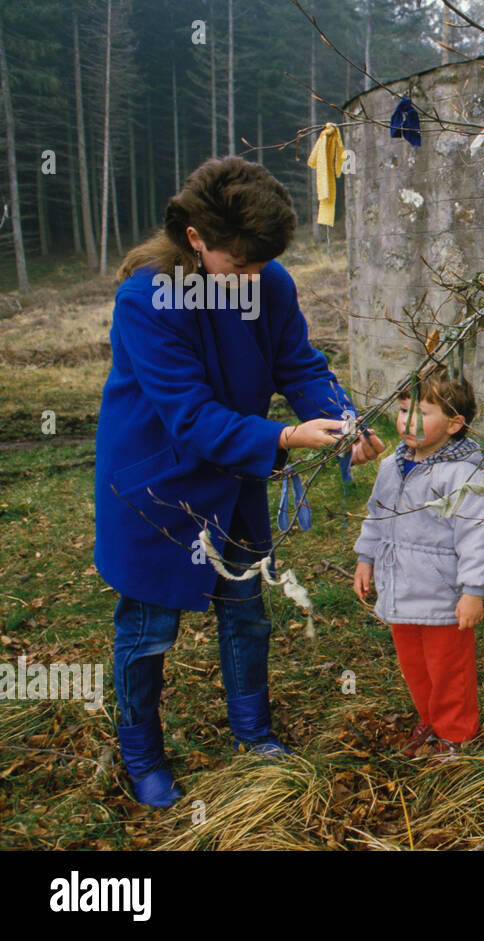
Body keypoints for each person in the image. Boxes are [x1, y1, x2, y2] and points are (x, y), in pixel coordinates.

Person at [96, 156, 385, 808]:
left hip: (233, 479)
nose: (252, 279)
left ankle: (253, 733)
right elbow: (191, 416)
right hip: (157, 485)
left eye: (261, 266)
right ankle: (142, 752)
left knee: (246, 613)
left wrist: (342, 417)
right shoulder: (147, 299)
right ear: (196, 239)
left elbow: (298, 363)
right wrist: (283, 437)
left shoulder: (267, 281)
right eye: (240, 266)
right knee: (148, 629)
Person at [353, 362, 484, 759]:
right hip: (400, 588)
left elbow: (477, 535)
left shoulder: (464, 476)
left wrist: (473, 591)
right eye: (403, 410)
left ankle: (457, 732)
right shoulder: (390, 467)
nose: (407, 420)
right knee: (415, 666)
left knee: (448, 668)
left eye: (422, 412)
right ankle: (429, 718)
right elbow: (376, 515)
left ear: (454, 424)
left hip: (443, 594)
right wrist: (366, 558)